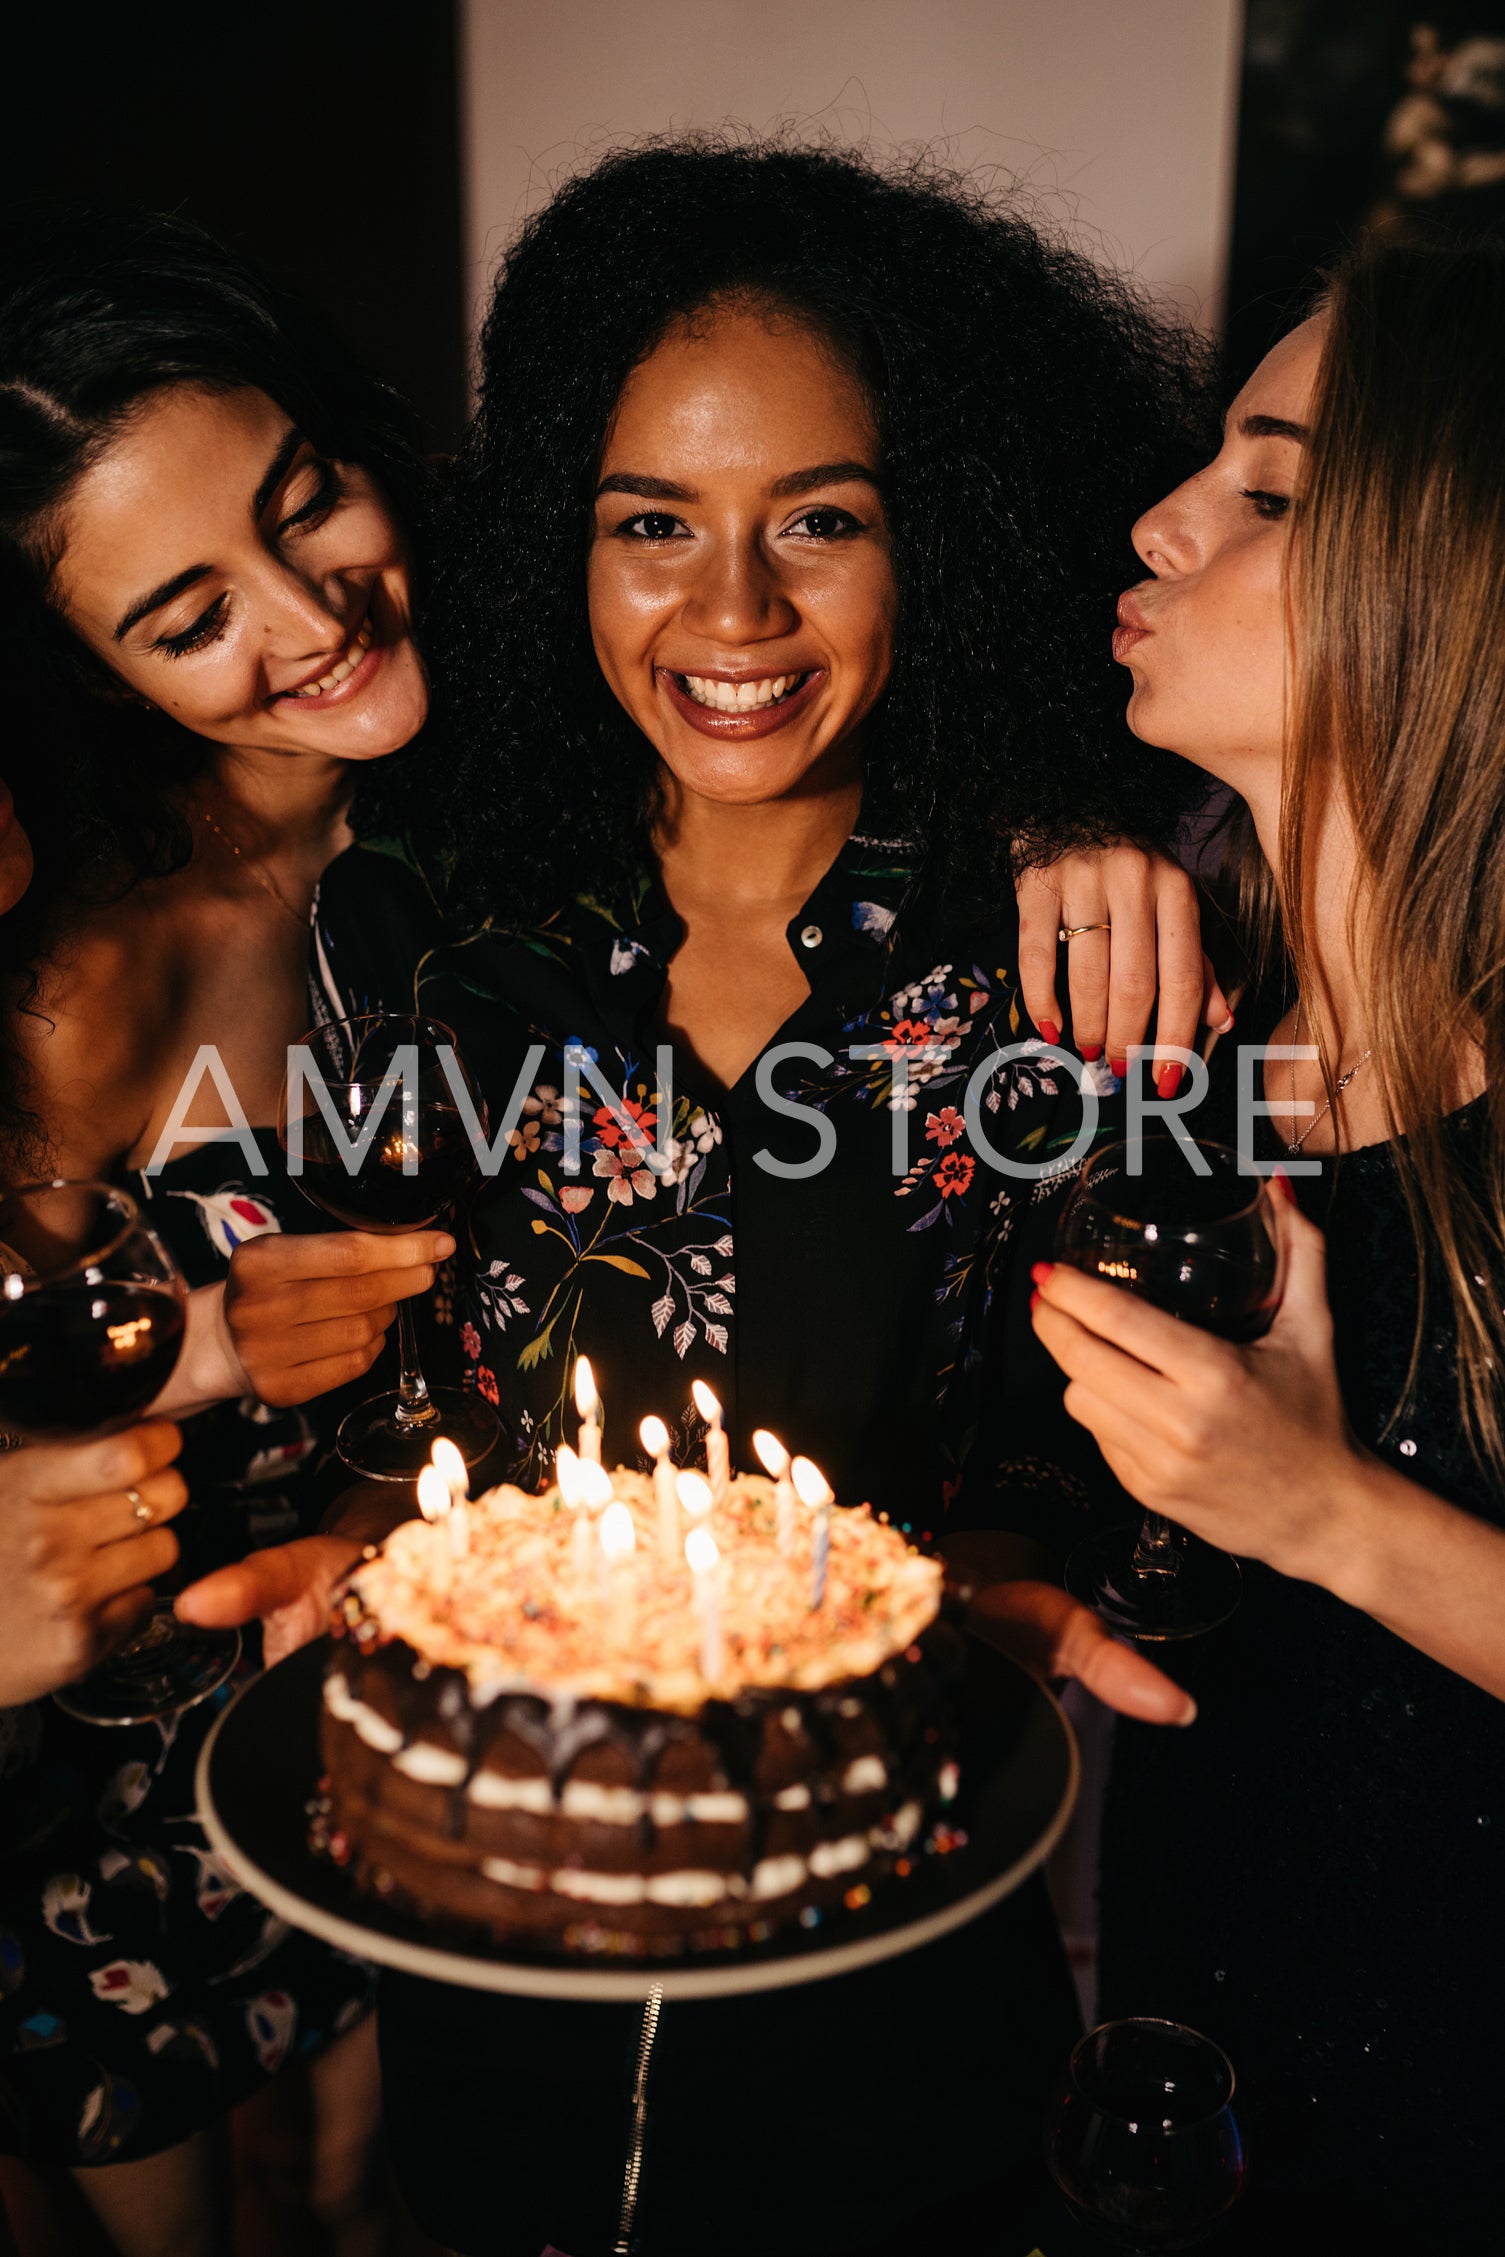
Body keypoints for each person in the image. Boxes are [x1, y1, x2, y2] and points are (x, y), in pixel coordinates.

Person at [187, 140, 1226, 2257]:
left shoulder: (1057, 939)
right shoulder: (425, 915)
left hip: (906, 1995)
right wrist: (365, 1506)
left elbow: (1101, 1412)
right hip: (491, 1975)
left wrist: (1016, 1569)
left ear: (947, 538)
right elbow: (400, 1385)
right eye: (651, 524)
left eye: (818, 525)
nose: (729, 614)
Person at [1030, 237, 1505, 2234]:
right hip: (1192, 2063)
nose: (1163, 516)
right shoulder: (1186, 1033)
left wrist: (1318, 1508)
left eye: (1271, 491)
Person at [0, 211, 448, 2257]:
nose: (311, 615)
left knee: (371, 2197)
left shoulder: (474, 807)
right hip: (104, 1780)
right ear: (91, 677)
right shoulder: (97, 976)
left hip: (355, 1693)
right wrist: (197, 1348)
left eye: (310, 505)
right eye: (191, 618)